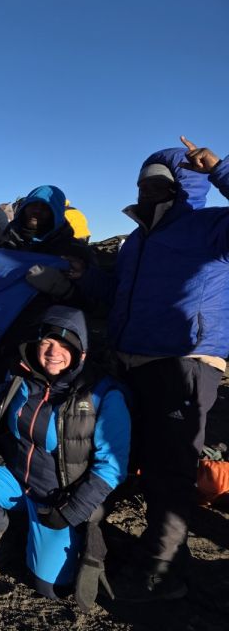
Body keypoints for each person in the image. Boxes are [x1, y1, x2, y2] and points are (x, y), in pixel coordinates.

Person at [72, 136, 229, 600]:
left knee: (170, 467)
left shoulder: (209, 227)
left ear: (183, 186)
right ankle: (155, 550)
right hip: (132, 359)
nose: (147, 190)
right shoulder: (136, 241)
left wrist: (219, 168)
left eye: (160, 183)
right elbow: (118, 295)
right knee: (137, 456)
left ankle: (164, 569)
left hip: (183, 361)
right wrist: (86, 278)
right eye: (143, 183)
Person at [0, 306, 130, 608]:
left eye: (65, 345)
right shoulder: (19, 376)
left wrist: (71, 512)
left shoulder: (102, 395)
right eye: (47, 342)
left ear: (82, 353)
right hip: (16, 478)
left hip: (58, 500)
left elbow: (112, 468)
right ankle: (3, 538)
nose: (53, 352)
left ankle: (77, 537)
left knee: (51, 588)